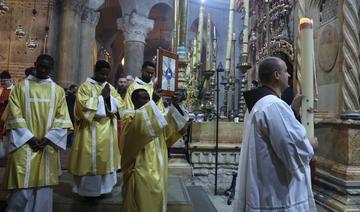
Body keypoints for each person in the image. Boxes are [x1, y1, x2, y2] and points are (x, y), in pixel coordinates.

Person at [233, 57, 318, 211]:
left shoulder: (261, 103)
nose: (289, 75)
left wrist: (292, 110)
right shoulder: (273, 105)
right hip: (276, 193)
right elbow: (291, 148)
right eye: (286, 71)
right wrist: (309, 144)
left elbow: (275, 133)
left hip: (263, 183)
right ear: (276, 75)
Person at [3, 54, 73, 212]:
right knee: (21, 187)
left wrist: (49, 138)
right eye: (40, 66)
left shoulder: (58, 91)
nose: (43, 70)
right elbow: (13, 115)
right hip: (24, 144)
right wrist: (29, 138)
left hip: (46, 146)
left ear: (51, 69)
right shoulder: (20, 87)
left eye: (46, 68)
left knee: (43, 188)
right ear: (35, 64)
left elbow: (62, 119)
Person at [121, 88, 189, 212]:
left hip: (159, 165)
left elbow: (168, 131)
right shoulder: (129, 118)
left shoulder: (154, 117)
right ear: (134, 101)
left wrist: (175, 106)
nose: (147, 101)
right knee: (142, 200)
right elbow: (140, 128)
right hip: (141, 166)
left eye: (148, 98)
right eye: (144, 98)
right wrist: (154, 101)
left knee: (158, 196)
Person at [68, 60, 123, 197]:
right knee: (88, 160)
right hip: (89, 131)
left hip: (107, 132)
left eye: (106, 74)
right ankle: (87, 192)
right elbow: (82, 107)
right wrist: (102, 98)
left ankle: (104, 190)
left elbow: (120, 105)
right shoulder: (85, 87)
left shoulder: (109, 87)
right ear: (95, 71)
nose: (104, 77)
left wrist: (109, 98)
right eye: (101, 74)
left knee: (105, 160)